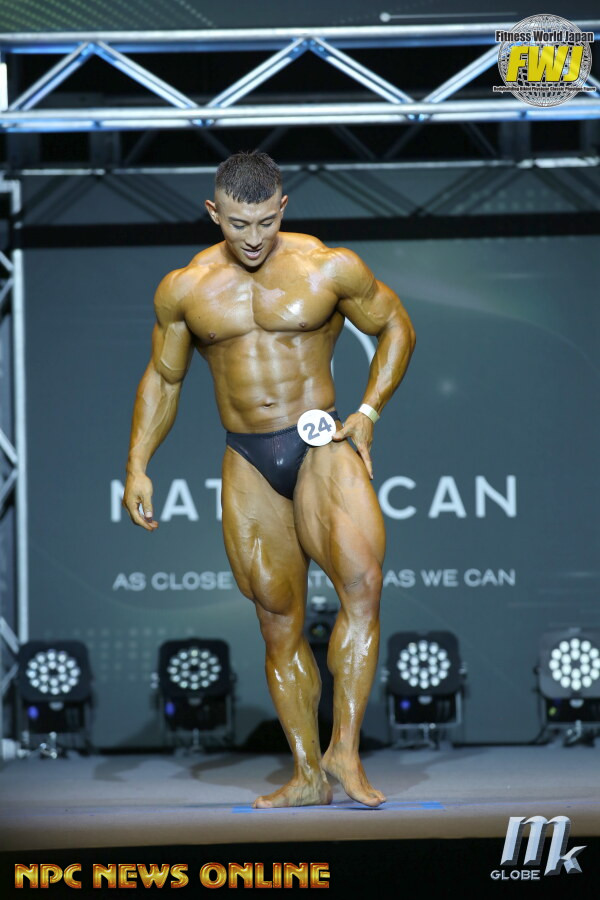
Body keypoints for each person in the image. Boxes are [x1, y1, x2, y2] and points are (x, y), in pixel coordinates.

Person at [123, 150, 416, 808]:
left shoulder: (328, 267)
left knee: (363, 587)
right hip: (248, 456)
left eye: (264, 222)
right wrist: (138, 463)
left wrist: (368, 412)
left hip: (320, 443)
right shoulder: (186, 288)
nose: (253, 238)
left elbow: (396, 325)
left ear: (282, 208)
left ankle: (344, 750)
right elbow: (165, 378)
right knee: (277, 621)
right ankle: (307, 773)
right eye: (237, 224)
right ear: (213, 212)